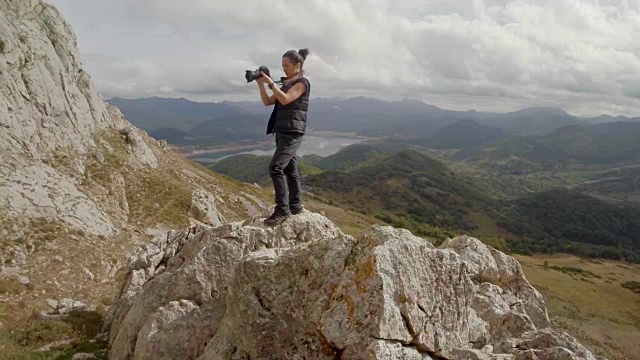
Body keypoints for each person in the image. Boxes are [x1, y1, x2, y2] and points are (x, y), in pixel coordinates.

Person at [256, 48, 311, 226]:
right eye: (282, 66)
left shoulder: (302, 83)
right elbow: (268, 102)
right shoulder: (287, 83)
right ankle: (295, 205)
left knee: (276, 168)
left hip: (293, 132)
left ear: (298, 65)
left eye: (287, 66)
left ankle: (282, 210)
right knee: (289, 169)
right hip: (282, 131)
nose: (284, 69)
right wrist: (260, 84)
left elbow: (286, 99)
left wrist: (271, 83)